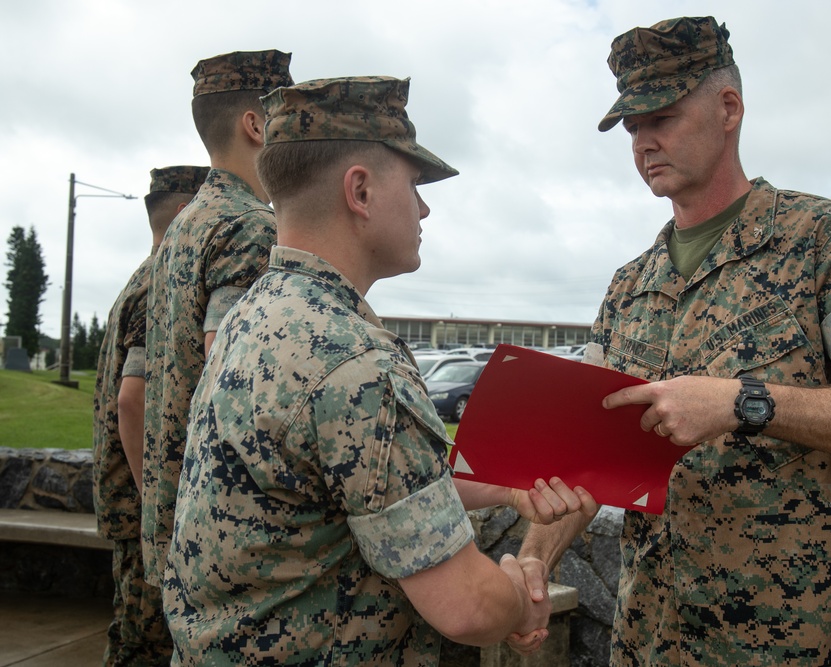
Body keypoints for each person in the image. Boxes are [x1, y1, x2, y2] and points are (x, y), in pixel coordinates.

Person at [514, 16, 831, 666]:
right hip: (654, 643)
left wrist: (746, 403)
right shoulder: (628, 287)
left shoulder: (825, 242)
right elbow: (587, 459)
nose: (644, 140)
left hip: (807, 644)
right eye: (631, 126)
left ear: (729, 108)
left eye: (660, 114)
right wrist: (531, 559)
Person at [162, 76, 592, 665]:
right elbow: (467, 606)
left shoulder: (255, 314)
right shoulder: (356, 364)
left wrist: (503, 486)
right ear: (360, 191)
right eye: (413, 184)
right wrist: (520, 597)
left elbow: (352, 481)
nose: (424, 206)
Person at [142, 50, 293, 588]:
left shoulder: (186, 226)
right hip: (225, 532)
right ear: (255, 125)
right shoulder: (249, 226)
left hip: (173, 517)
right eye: (288, 119)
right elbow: (236, 376)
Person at [93, 165, 208, 665]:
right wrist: (160, 508)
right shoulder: (156, 285)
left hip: (133, 508)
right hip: (145, 512)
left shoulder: (140, 278)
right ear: (185, 216)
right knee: (145, 646)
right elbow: (132, 401)